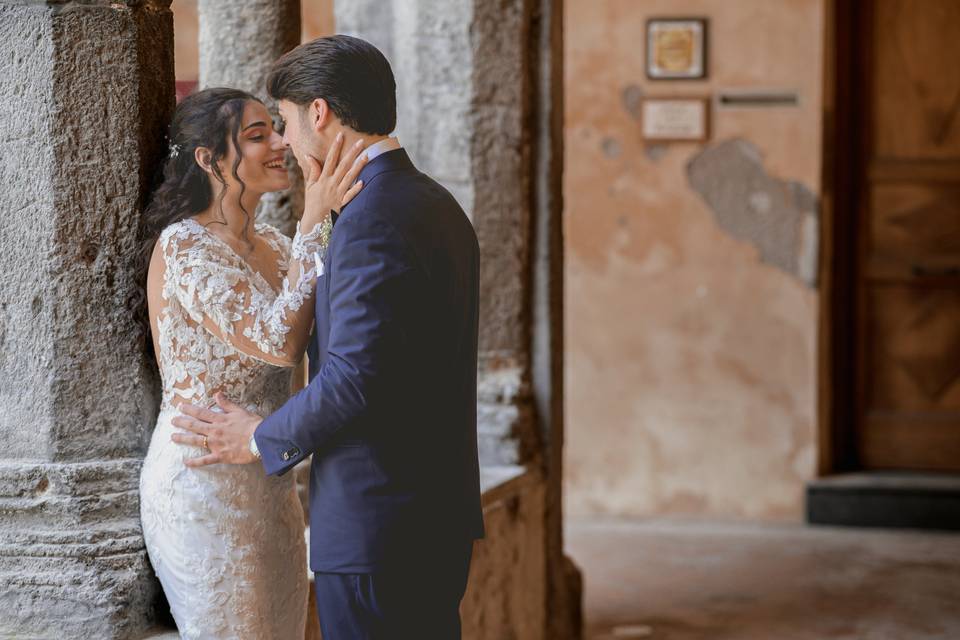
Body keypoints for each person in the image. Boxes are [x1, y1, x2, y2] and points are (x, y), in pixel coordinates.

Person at [171, 35, 485, 638]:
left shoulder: (371, 219)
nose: (284, 141)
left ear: (320, 112)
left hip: (379, 523)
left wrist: (260, 438)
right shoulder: (435, 203)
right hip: (430, 513)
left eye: (284, 121)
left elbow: (356, 375)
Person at [138, 86, 366, 638]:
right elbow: (278, 342)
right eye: (257, 135)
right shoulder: (185, 246)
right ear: (209, 159)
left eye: (277, 129)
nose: (281, 144)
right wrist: (316, 214)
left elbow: (321, 339)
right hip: (203, 487)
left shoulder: (275, 245)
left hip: (271, 482)